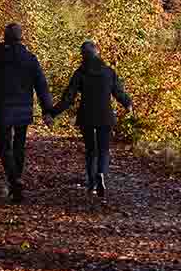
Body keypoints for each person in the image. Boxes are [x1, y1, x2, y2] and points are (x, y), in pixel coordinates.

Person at [0, 23, 54, 203]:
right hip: (23, 108)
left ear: (4, 37)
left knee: (5, 147)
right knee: (19, 146)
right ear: (21, 38)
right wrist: (47, 110)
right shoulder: (30, 58)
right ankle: (16, 180)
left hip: (3, 107)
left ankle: (14, 180)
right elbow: (41, 85)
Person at [48, 40, 132, 197]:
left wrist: (53, 112)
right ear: (97, 52)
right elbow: (118, 92)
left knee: (91, 150)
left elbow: (68, 98)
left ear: (83, 56)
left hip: (86, 116)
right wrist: (128, 104)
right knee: (104, 149)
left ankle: (92, 183)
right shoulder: (109, 72)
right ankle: (101, 174)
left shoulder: (80, 73)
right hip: (105, 116)